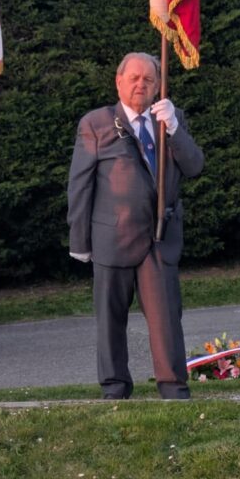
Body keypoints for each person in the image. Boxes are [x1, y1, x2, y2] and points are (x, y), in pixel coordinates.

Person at [67, 52, 204, 400]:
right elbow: (80, 184)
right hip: (111, 236)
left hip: (159, 237)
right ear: (119, 81)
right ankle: (114, 387)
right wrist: (79, 240)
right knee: (110, 320)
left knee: (166, 319)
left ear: (158, 85)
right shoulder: (96, 123)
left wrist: (173, 128)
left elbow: (194, 166)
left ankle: (173, 387)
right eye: (134, 78)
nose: (141, 85)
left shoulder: (170, 119)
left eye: (148, 80)